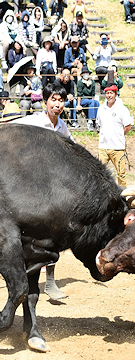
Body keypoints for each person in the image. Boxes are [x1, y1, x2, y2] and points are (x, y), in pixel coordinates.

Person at [2, 83, 75, 300]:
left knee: (52, 233)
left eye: (61, 100)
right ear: (45, 102)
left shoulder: (62, 127)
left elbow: (73, 149)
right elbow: (12, 126)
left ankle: (50, 283)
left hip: (50, 188)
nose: (57, 104)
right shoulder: (34, 121)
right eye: (53, 99)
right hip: (28, 184)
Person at [96, 83, 131, 188]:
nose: (109, 95)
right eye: (107, 93)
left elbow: (128, 126)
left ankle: (123, 195)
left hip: (118, 147)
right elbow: (99, 124)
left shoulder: (122, 109)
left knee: (121, 174)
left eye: (111, 93)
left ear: (115, 94)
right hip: (103, 146)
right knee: (99, 173)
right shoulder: (101, 108)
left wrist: (119, 135)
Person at [76, 65, 99, 131]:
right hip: (83, 100)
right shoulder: (80, 82)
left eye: (87, 73)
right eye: (84, 73)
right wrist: (78, 104)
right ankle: (90, 121)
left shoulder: (92, 82)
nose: (86, 75)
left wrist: (94, 102)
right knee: (91, 102)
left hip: (90, 99)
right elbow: (79, 94)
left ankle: (97, 120)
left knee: (96, 102)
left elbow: (93, 94)